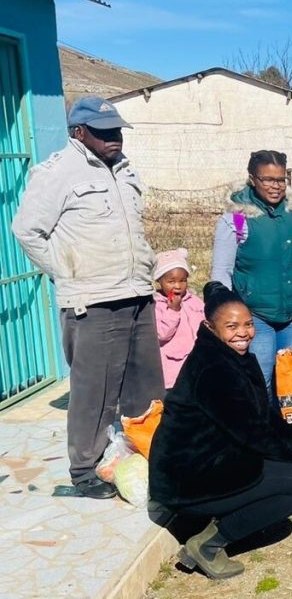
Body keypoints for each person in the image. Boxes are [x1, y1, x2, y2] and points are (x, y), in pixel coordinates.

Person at [11, 96, 164, 500]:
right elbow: (27, 230)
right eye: (103, 132)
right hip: (92, 301)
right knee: (94, 391)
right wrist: (69, 272)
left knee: (146, 386)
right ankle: (85, 470)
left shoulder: (125, 170)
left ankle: (148, 454)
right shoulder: (58, 172)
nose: (114, 138)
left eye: (116, 130)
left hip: (136, 293)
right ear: (79, 133)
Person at [149, 283, 292, 580]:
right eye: (232, 326)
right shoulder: (213, 368)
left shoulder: (235, 357)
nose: (243, 333)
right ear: (210, 327)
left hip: (214, 460)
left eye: (248, 324)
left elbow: (263, 412)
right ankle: (208, 544)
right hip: (186, 479)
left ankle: (221, 524)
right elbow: (251, 431)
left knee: (289, 471)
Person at [210, 150, 292, 398]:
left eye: (281, 179)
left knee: (289, 382)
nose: (276, 186)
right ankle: (259, 432)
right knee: (260, 381)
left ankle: (287, 432)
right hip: (255, 316)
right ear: (252, 179)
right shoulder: (236, 219)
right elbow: (221, 272)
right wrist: (224, 317)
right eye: (268, 180)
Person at [153, 248, 205, 390]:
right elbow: (162, 334)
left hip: (196, 364)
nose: (178, 286)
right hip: (173, 369)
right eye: (171, 281)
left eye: (183, 280)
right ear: (159, 281)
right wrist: (173, 311)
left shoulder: (193, 300)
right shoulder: (157, 305)